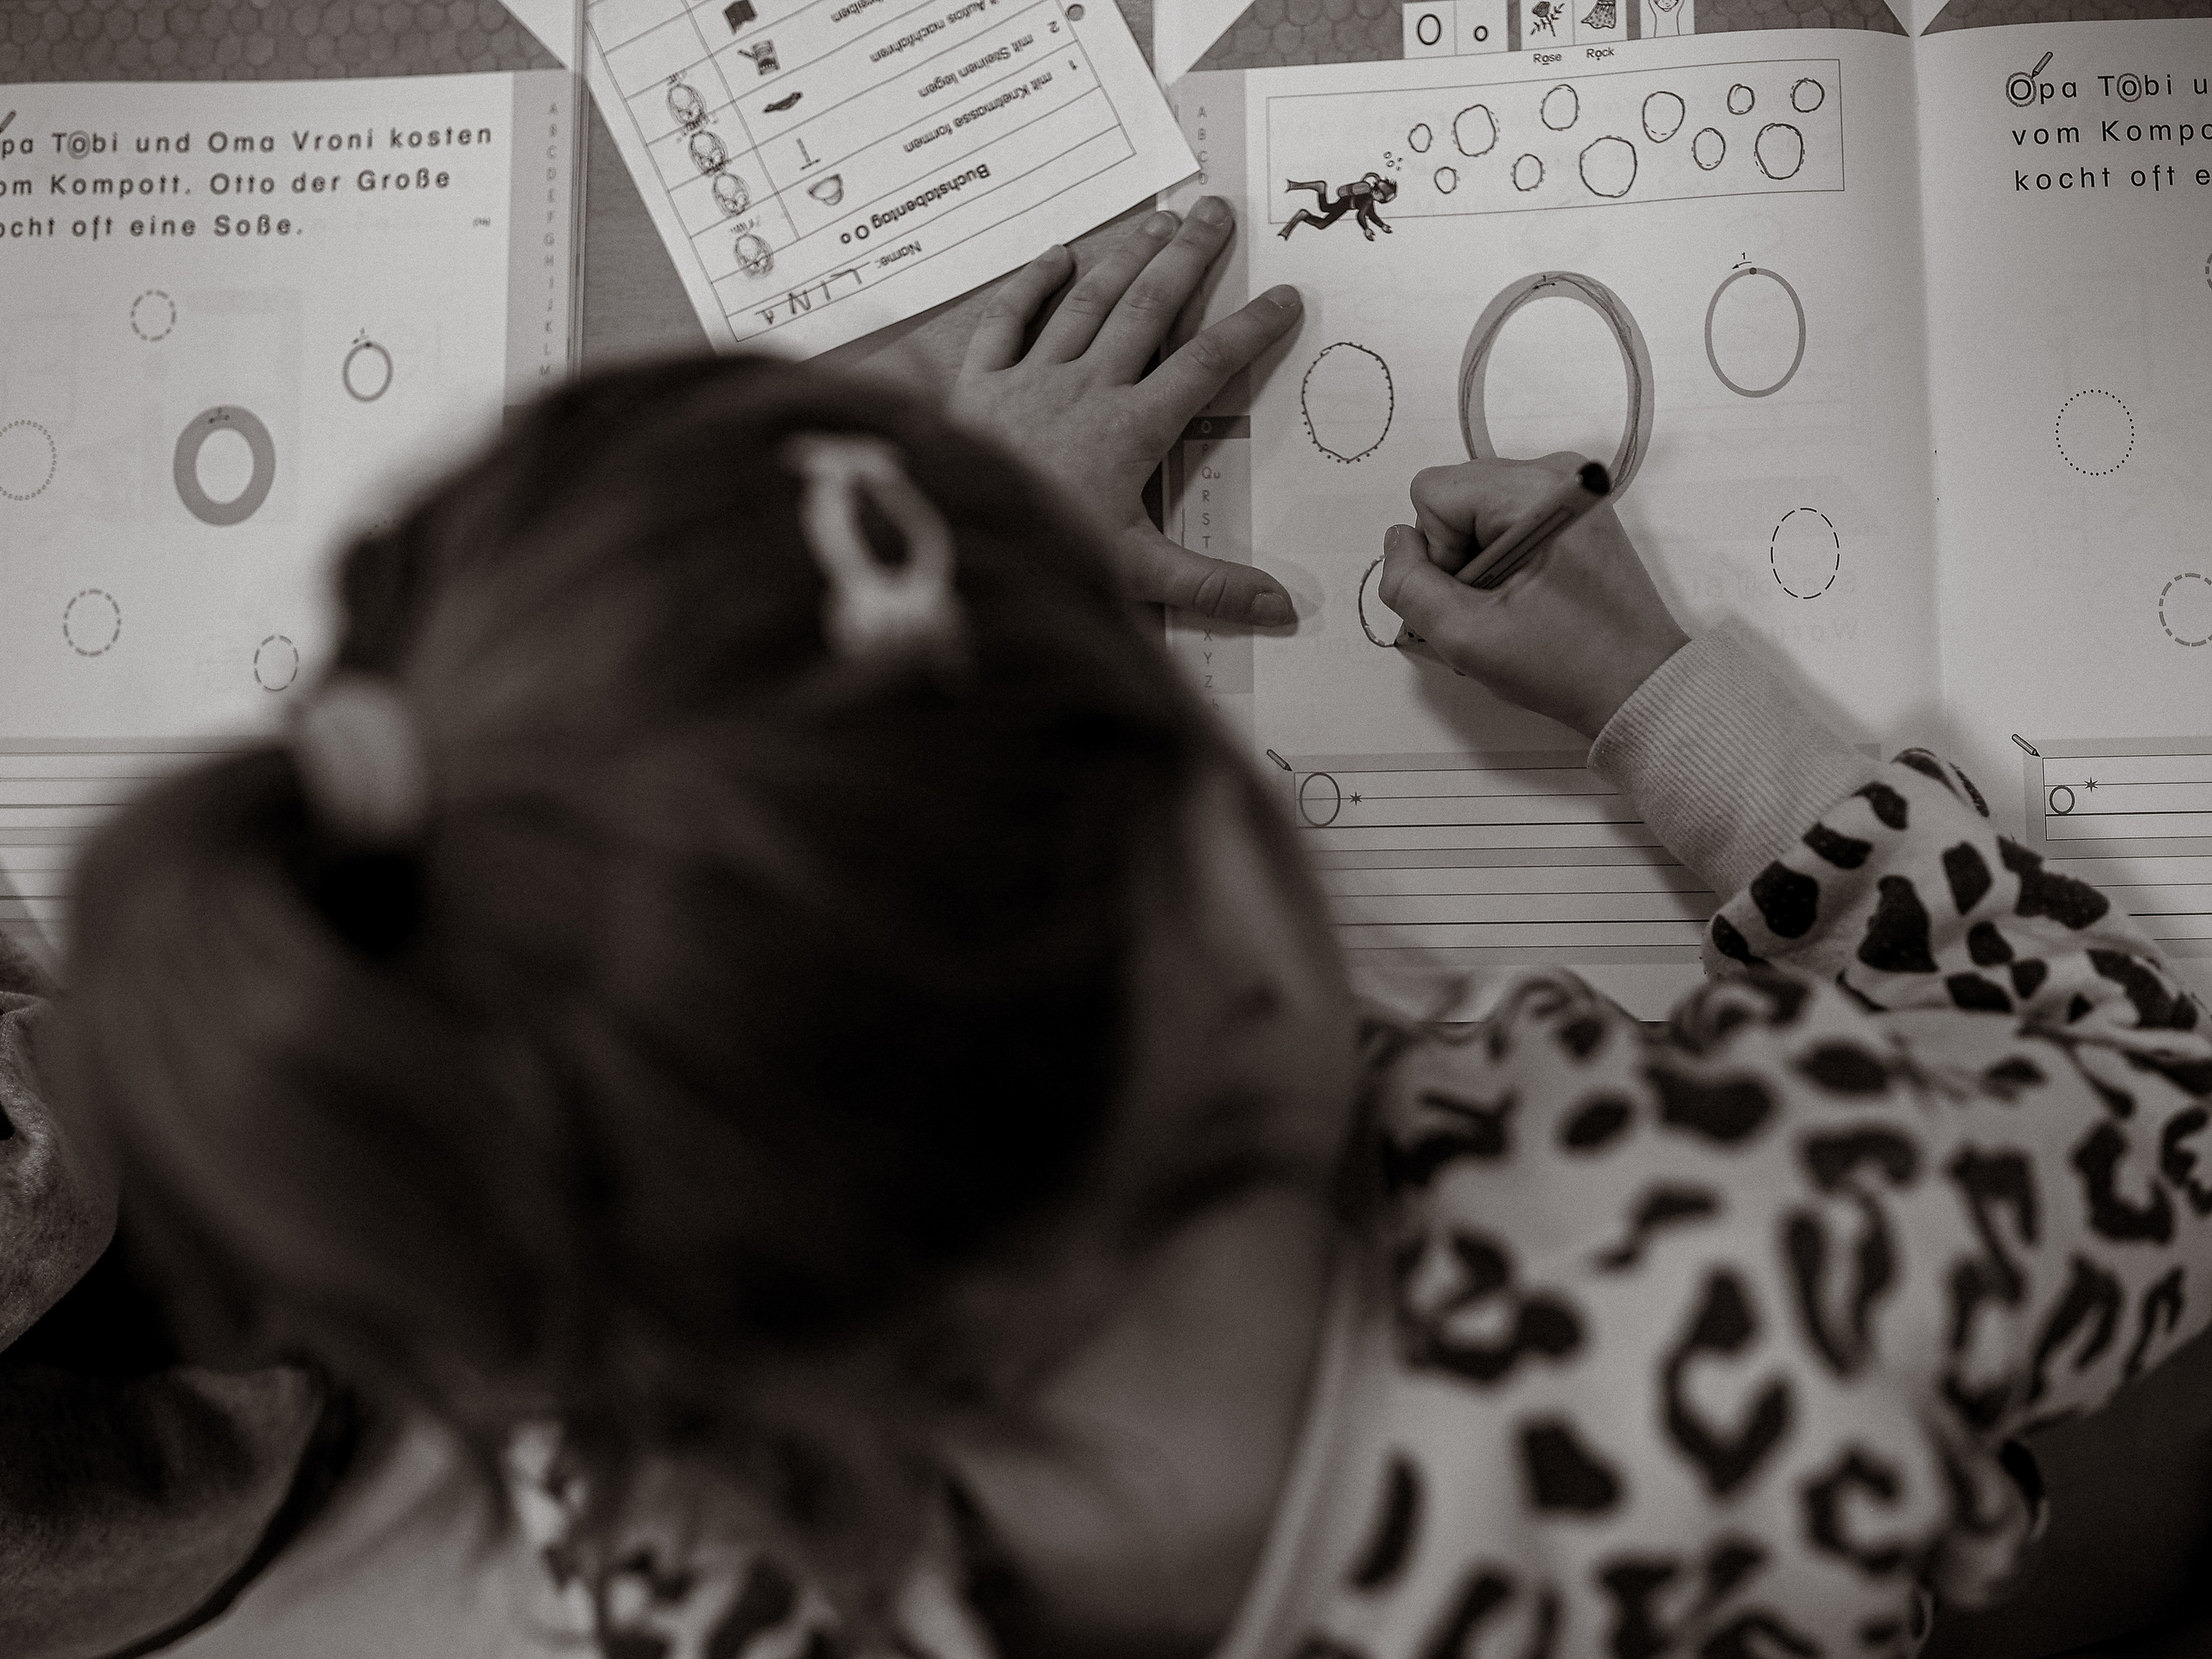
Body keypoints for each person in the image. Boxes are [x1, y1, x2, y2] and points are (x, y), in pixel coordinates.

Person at [29, 198, 2212, 1659]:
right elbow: (2164, 1117)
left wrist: (974, 620)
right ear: (1249, 925)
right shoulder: (1733, 1257)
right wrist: (1680, 707)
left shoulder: (643, 1488)